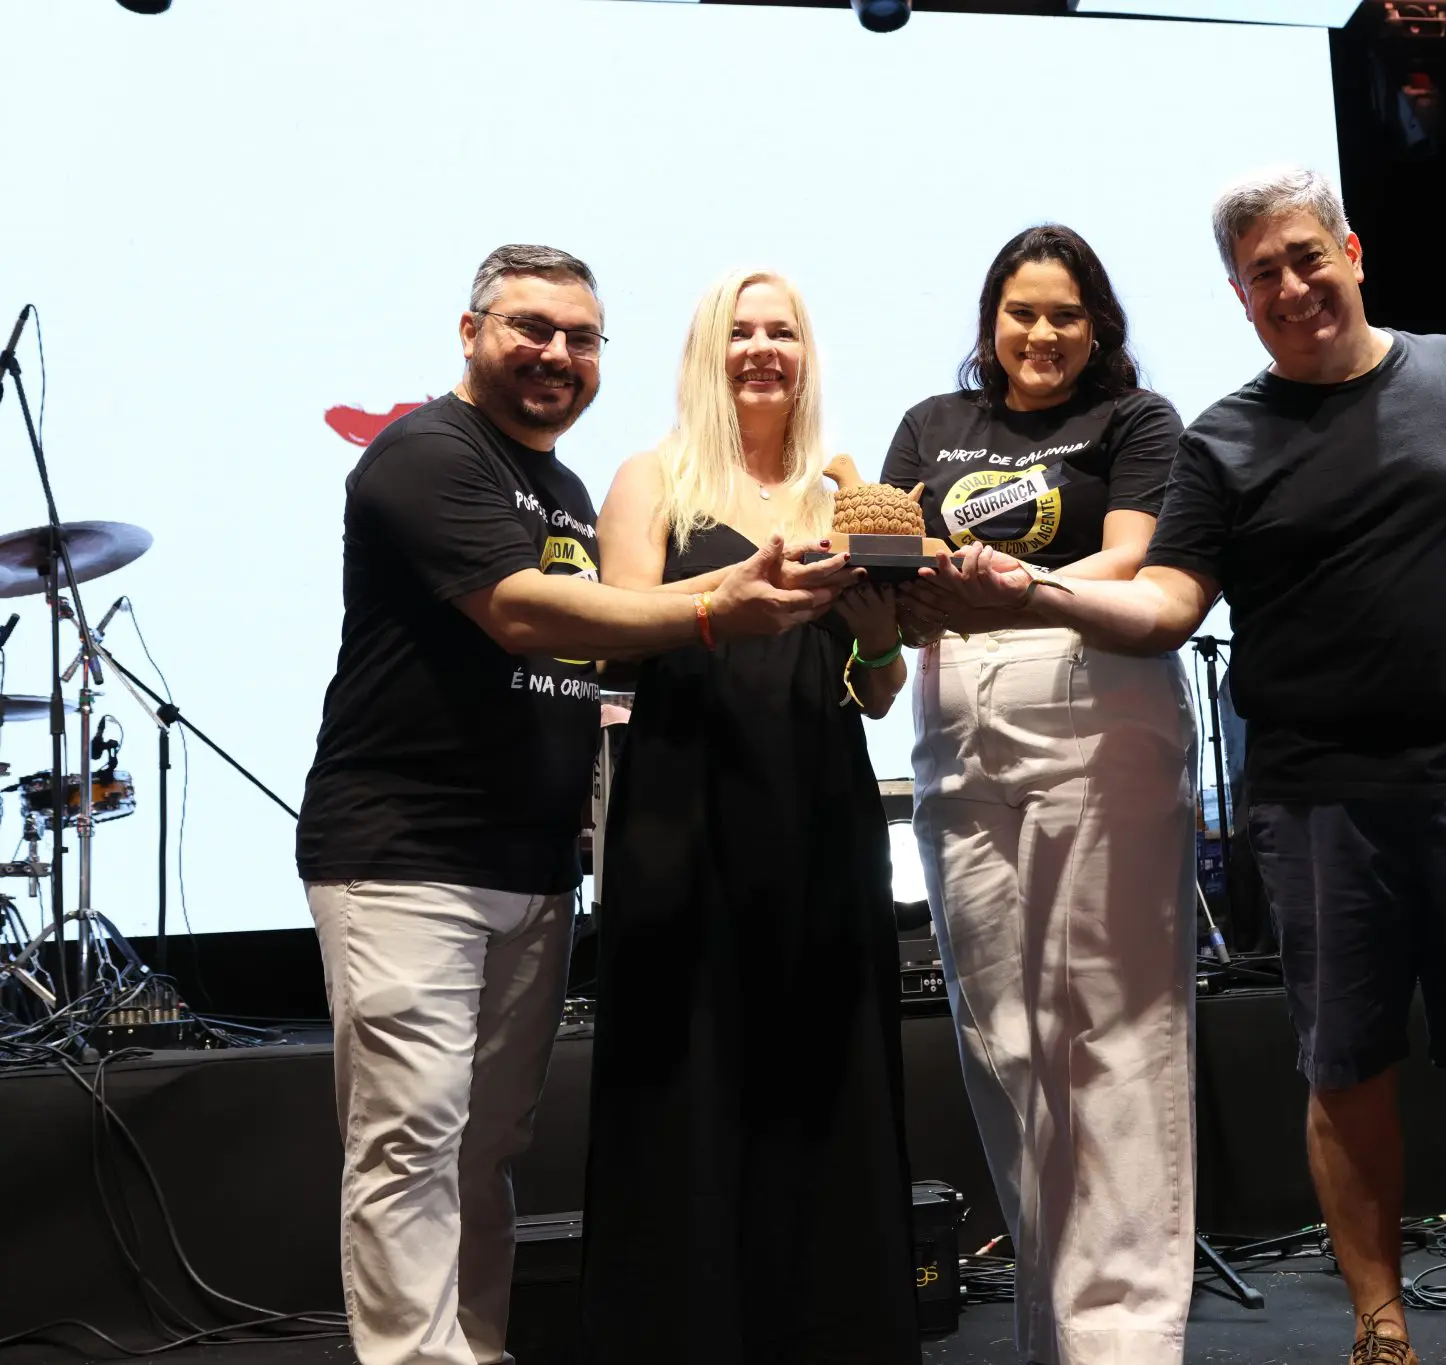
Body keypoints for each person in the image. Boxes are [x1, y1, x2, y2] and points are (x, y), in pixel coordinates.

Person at [930, 168, 1446, 1365]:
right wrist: (1040, 594)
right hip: (1319, 803)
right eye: (1260, 273)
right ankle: (1380, 1332)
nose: (1289, 286)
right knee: (1345, 1073)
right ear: (1238, 295)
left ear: (1350, 253)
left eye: (1304, 257)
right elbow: (1166, 604)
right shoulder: (1222, 440)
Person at [296, 244, 839, 1365]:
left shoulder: (562, 490)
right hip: (407, 855)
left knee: (483, 1146)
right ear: (471, 333)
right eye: (530, 328)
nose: (555, 353)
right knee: (409, 1145)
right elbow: (523, 612)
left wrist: (791, 587)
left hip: (533, 862)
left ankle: (477, 1346)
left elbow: (612, 640)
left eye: (580, 338)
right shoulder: (426, 454)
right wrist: (716, 609)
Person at [578, 267, 921, 1364]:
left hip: (822, 811)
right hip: (685, 808)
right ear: (705, 353)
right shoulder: (653, 479)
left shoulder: (839, 497)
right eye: (740, 331)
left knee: (825, 1070)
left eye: (782, 332)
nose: (761, 349)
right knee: (688, 1071)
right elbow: (613, 632)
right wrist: (723, 604)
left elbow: (877, 688)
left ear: (806, 355)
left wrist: (878, 634)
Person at [891, 224, 1198, 1365]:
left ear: (1096, 326)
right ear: (991, 323)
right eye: (1022, 312)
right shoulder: (931, 424)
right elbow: (895, 566)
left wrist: (1010, 585)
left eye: (1065, 314)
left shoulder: (1135, 421)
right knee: (1005, 1043)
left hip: (1092, 695)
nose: (1042, 333)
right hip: (955, 721)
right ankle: (1060, 1329)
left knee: (1113, 1034)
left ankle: (1127, 1340)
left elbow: (1132, 559)